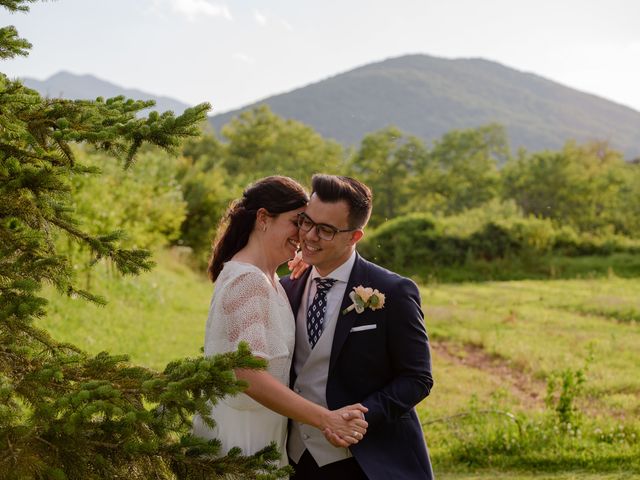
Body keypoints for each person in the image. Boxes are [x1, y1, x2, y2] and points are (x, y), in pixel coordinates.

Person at [191, 176, 368, 467]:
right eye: (296, 222)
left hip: (264, 432)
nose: (303, 235)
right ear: (263, 218)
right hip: (241, 437)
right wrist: (326, 419)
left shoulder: (268, 279)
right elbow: (248, 375)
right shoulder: (248, 281)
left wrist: (304, 263)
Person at [281, 174, 434, 479]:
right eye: (306, 222)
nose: (309, 236)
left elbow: (417, 378)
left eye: (325, 230)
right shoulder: (286, 288)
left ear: (354, 237)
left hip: (368, 460)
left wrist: (361, 417)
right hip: (296, 458)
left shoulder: (392, 291)